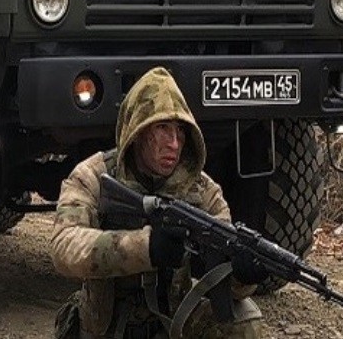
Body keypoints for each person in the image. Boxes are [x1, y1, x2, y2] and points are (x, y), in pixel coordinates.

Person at [49, 67, 266, 339]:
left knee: (244, 316)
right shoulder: (93, 175)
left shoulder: (203, 191)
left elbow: (224, 284)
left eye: (180, 131)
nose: (174, 143)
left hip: (172, 323)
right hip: (106, 327)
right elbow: (64, 246)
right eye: (162, 128)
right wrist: (145, 248)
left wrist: (242, 275)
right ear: (138, 131)